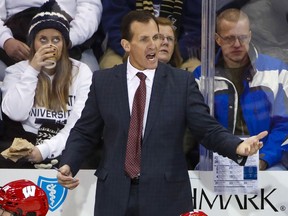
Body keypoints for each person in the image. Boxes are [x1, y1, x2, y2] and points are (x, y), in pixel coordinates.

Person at [57, 10, 267, 215]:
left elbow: (207, 129)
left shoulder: (181, 83)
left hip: (166, 196)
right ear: (126, 45)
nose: (154, 45)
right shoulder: (103, 82)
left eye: (156, 37)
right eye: (144, 39)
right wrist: (69, 163)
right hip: (113, 195)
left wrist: (238, 146)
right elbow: (85, 132)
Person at [0, 0, 93, 169]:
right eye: (42, 39)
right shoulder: (17, 71)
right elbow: (15, 113)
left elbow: (78, 126)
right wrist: (33, 69)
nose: (49, 45)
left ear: (65, 44)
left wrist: (44, 150)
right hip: (26, 146)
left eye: (56, 39)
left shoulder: (81, 72)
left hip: (65, 144)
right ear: (32, 43)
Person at [193, 8, 288, 170]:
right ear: (217, 39)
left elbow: (285, 124)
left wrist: (264, 159)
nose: (237, 44)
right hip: (220, 158)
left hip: (267, 158)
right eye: (229, 38)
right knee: (200, 173)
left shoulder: (278, 71)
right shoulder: (202, 76)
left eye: (242, 38)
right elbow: (200, 126)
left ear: (250, 36)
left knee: (278, 181)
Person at [0, 0, 102, 80]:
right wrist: (5, 40)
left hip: (69, 35)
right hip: (17, 37)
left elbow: (91, 8)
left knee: (92, 77)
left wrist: (69, 38)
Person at [99, 0, 202, 72]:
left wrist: (172, 53)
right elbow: (117, 27)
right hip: (129, 49)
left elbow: (195, 30)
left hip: (177, 51)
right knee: (112, 69)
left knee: (196, 72)